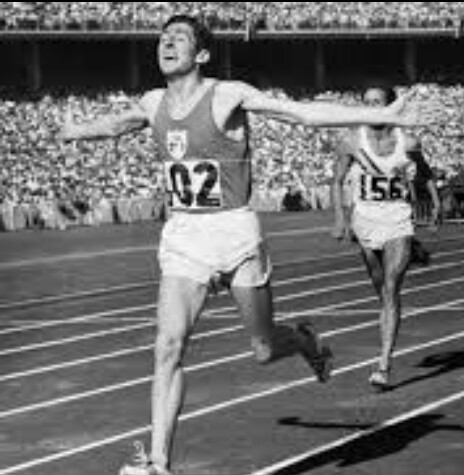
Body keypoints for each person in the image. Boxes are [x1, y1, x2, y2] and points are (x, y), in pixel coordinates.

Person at [58, 15, 435, 475]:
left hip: (234, 232)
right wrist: (75, 131)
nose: (166, 44)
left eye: (178, 38)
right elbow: (118, 125)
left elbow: (300, 113)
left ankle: (304, 341)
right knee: (168, 346)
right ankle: (159, 462)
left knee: (264, 348)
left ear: (201, 54)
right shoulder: (153, 101)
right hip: (184, 235)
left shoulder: (227, 95)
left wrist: (380, 116)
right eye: (163, 37)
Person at [331, 84, 440, 391]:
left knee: (391, 288)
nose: (372, 107)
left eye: (378, 101)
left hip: (398, 220)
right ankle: (388, 327)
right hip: (366, 222)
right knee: (381, 290)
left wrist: (435, 203)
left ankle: (383, 363)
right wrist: (339, 218)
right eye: (367, 102)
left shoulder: (408, 141)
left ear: (391, 106)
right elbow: (337, 181)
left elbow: (424, 173)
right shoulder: (352, 141)